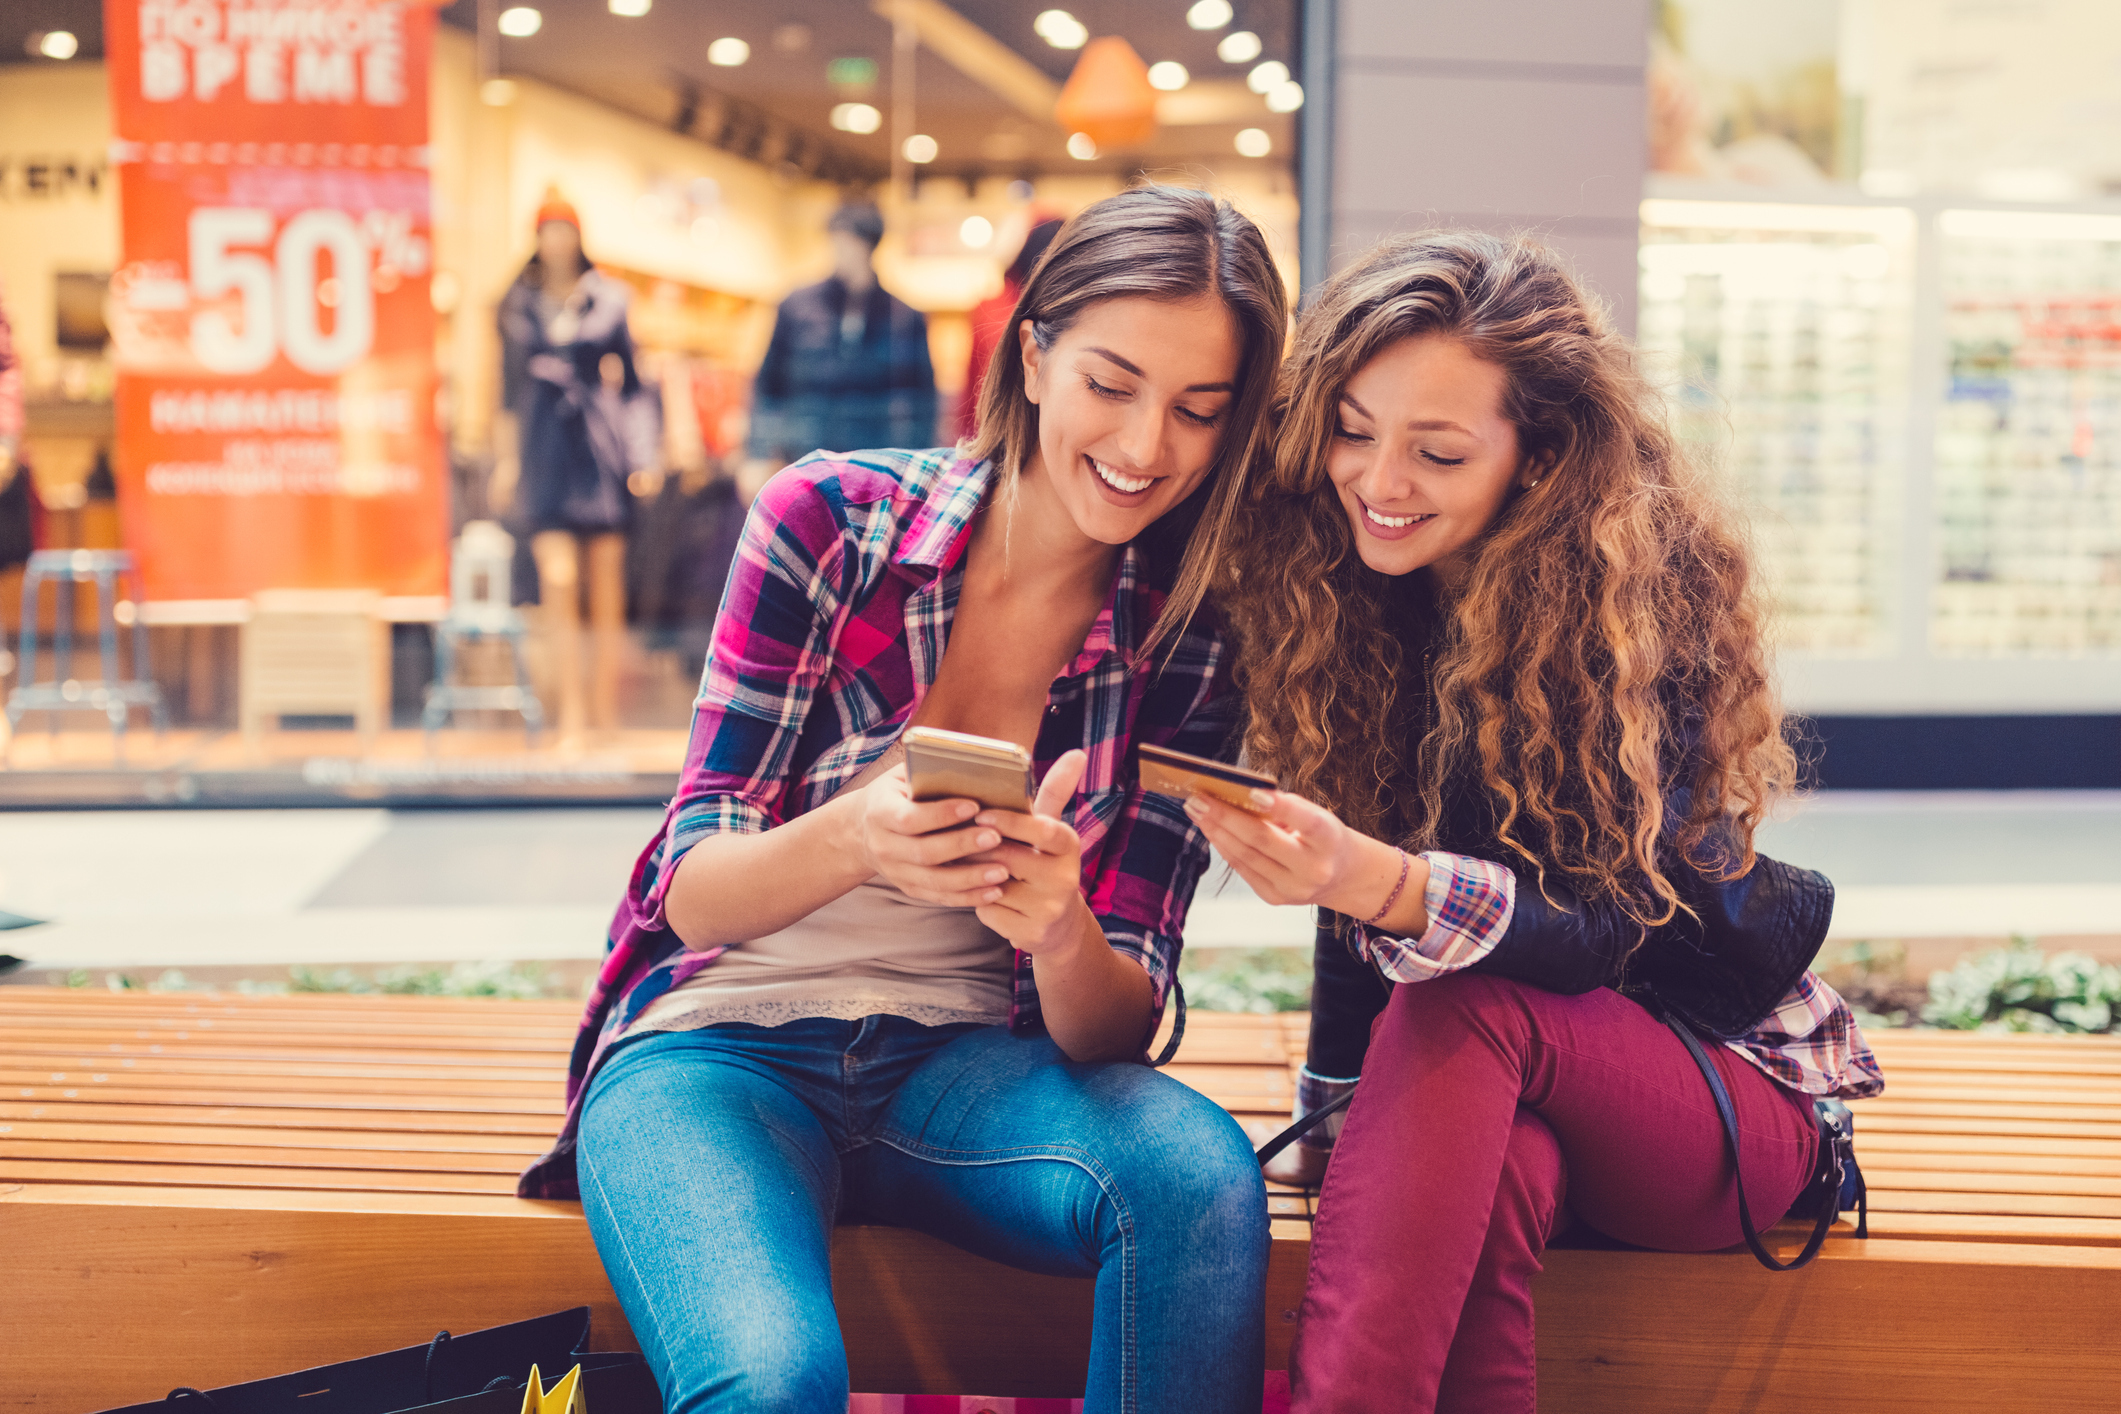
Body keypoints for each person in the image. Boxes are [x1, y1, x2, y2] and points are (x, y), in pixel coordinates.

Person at [518, 185, 1291, 1414]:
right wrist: (858, 836)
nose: (1148, 447)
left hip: (968, 1070)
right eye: (1113, 383)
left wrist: (1059, 927)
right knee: (773, 1381)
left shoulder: (1190, 642)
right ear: (1032, 353)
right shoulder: (827, 523)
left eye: (1199, 411)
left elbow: (1115, 1031)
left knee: (1194, 1174)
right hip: (718, 1052)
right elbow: (695, 891)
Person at [1185, 231, 1884, 1413]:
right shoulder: (1362, 607)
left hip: (1721, 1103)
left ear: (1540, 456)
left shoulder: (1624, 617)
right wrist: (1332, 1123)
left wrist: (1384, 885)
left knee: (1468, 989)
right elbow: (1360, 912)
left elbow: (1599, 937)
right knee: (1495, 1172)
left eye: (1437, 450)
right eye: (1353, 430)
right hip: (1524, 1109)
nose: (1378, 479)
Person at [494, 191, 660, 739]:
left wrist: (641, 453)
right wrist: (505, 459)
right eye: (549, 228)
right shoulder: (516, 302)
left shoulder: (610, 299)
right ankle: (567, 715)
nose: (558, 239)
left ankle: (604, 714)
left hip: (599, 448)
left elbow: (635, 386)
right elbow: (505, 391)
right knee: (558, 582)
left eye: (566, 228)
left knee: (606, 587)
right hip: (543, 448)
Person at [746, 201, 938, 473]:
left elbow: (923, 398)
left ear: (869, 246)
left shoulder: (905, 318)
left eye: (850, 243)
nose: (841, 252)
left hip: (876, 462)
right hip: (804, 456)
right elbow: (768, 384)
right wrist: (757, 454)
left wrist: (923, 462)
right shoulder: (796, 306)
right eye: (836, 242)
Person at [956, 216, 1065, 441]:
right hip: (1013, 431)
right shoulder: (993, 308)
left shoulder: (990, 307)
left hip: (995, 430)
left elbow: (972, 381)